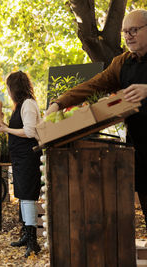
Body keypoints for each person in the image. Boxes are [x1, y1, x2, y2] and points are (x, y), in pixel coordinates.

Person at [45, 9, 147, 229]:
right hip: (140, 148)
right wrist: (58, 103)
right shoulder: (122, 63)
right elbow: (94, 85)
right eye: (125, 32)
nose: (128, 36)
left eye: (134, 30)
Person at [0, 71, 42, 257]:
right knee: (22, 195)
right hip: (21, 157)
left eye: (8, 87)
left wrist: (5, 128)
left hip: (29, 157)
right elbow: (18, 129)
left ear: (14, 88)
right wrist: (4, 125)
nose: (7, 91)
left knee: (28, 197)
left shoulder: (28, 104)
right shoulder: (20, 105)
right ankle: (25, 234)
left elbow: (29, 132)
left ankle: (33, 241)